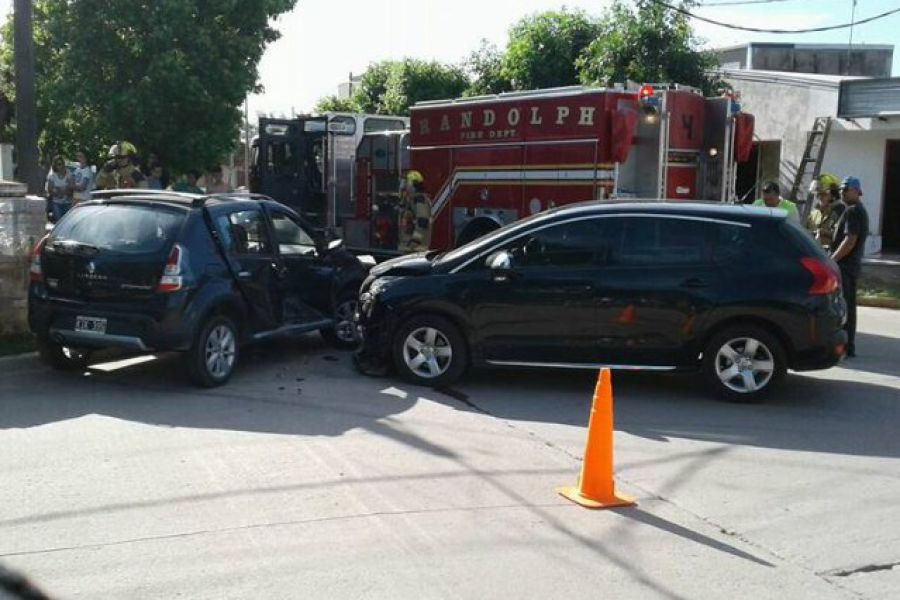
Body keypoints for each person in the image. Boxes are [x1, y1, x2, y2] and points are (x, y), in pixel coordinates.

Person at [831, 176, 869, 358]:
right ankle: (848, 345)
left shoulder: (854, 211)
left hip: (846, 266)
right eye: (841, 190)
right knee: (848, 306)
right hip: (851, 266)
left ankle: (847, 346)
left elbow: (850, 240)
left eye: (845, 190)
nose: (842, 193)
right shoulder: (857, 210)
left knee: (845, 308)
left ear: (855, 191)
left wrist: (832, 259)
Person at [806, 173, 844, 249]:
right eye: (817, 194)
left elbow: (843, 236)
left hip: (831, 255)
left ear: (833, 194)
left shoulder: (841, 211)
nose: (819, 197)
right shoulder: (814, 213)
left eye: (823, 194)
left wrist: (825, 233)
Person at [45, 155, 74, 222]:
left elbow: (71, 187)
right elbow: (50, 190)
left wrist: (61, 189)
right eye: (59, 164)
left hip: (68, 202)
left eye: (62, 164)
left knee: (68, 222)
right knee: (59, 222)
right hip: (57, 203)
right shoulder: (52, 176)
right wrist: (58, 192)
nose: (61, 166)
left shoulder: (69, 174)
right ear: (55, 166)